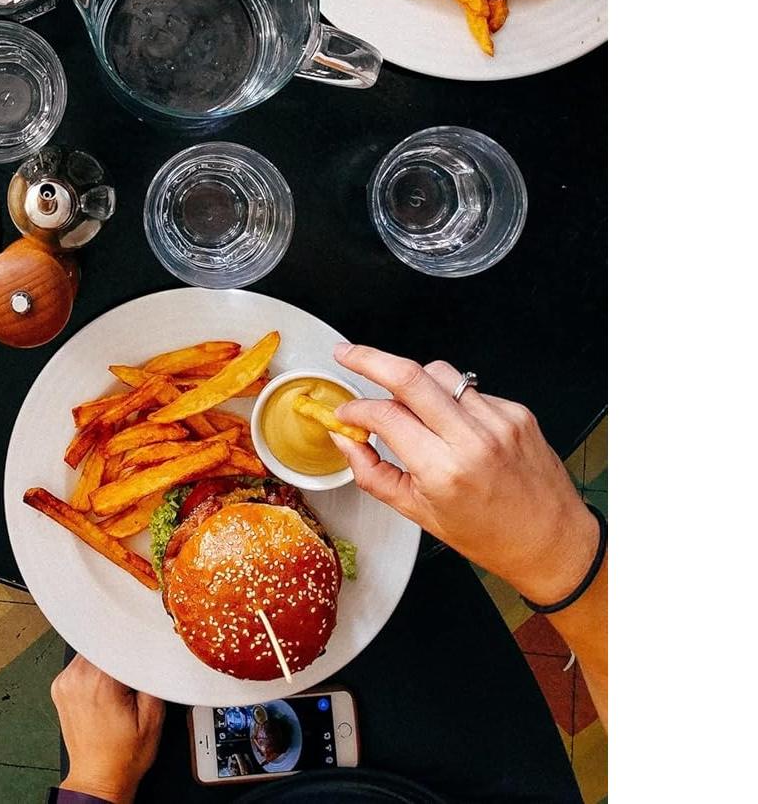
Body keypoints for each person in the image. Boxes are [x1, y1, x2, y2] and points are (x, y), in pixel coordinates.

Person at [45, 342, 607, 802]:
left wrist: (94, 787)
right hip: (468, 777)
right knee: (435, 583)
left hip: (155, 778)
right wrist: (559, 556)